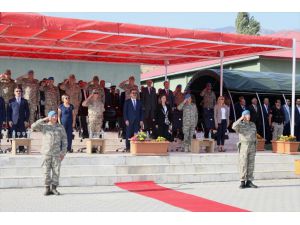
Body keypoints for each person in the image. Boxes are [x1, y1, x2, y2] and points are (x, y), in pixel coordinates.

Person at [31, 111, 67, 196]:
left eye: (55, 116)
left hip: (56, 153)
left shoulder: (60, 127)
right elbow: (33, 126)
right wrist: (44, 119)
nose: (55, 117)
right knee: (46, 171)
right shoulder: (45, 127)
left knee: (56, 171)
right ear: (49, 117)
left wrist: (63, 153)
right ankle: (47, 188)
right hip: (46, 153)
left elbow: (65, 141)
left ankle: (54, 188)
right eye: (53, 116)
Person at [232, 110, 258, 189]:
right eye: (247, 115)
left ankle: (249, 181)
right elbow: (233, 126)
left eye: (249, 114)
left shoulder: (252, 124)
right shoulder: (240, 124)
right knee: (243, 163)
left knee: (251, 164)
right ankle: (242, 181)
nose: (249, 116)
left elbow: (255, 135)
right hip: (244, 146)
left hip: (252, 146)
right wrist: (241, 118)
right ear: (243, 116)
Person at [7, 87, 30, 152]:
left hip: (22, 121)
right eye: (17, 91)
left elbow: (27, 112)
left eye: (19, 91)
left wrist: (26, 120)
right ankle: (13, 148)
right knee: (13, 134)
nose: (18, 92)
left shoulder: (24, 101)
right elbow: (8, 112)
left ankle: (21, 148)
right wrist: (9, 120)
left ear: (21, 92)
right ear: (14, 92)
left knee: (22, 134)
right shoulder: (11, 101)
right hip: (13, 121)